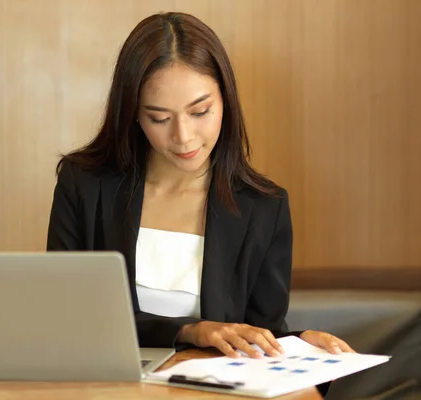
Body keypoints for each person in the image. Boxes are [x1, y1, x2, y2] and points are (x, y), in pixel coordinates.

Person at [46, 11, 353, 395]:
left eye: (200, 111)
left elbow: (256, 333)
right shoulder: (85, 185)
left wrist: (300, 345)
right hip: (106, 385)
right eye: (159, 118)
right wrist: (190, 330)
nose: (184, 137)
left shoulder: (263, 208)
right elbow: (67, 317)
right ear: (134, 116)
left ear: (225, 100)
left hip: (209, 390)